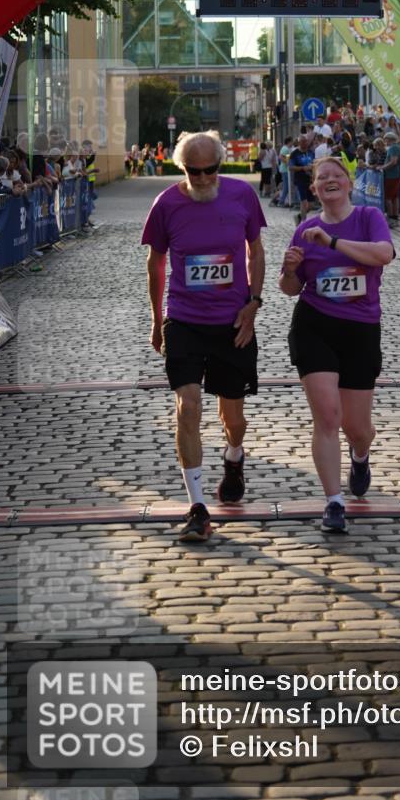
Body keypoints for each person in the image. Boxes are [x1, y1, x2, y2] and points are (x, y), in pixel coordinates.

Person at [141, 130, 266, 543]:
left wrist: (253, 302)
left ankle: (233, 457)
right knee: (187, 406)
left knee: (233, 417)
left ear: (220, 165)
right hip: (186, 320)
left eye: (210, 170)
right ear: (182, 168)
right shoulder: (166, 205)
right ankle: (197, 506)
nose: (202, 178)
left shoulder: (241, 196)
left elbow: (257, 252)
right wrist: (158, 321)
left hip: (232, 322)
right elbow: (155, 265)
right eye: (194, 172)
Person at [279, 157, 395, 534]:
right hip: (315, 326)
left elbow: (383, 255)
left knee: (356, 426)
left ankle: (360, 455)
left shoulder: (367, 218)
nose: (329, 181)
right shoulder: (305, 230)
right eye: (321, 178)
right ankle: (333, 502)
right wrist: (292, 270)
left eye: (336, 176)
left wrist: (331, 242)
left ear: (349, 184)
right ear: (313, 189)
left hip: (361, 330)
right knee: (327, 417)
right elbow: (290, 288)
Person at [289, 133, 314, 224]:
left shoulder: (311, 152)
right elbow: (291, 167)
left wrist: (313, 167)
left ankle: (299, 216)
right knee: (304, 202)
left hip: (310, 180)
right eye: (302, 141)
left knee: (311, 205)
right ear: (299, 142)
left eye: (306, 141)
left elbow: (314, 163)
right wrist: (303, 168)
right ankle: (303, 224)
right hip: (300, 180)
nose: (304, 143)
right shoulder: (294, 154)